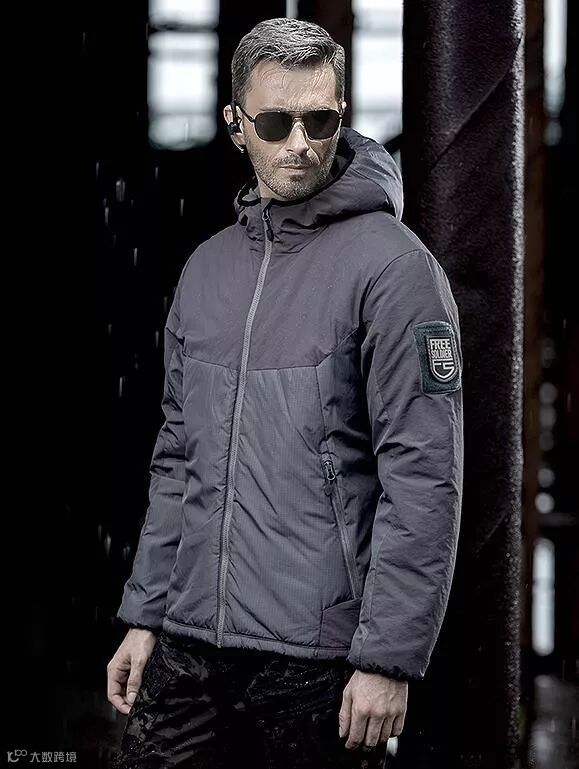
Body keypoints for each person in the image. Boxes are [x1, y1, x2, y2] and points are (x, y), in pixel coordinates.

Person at [107, 17, 464, 769]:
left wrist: (388, 658)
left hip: (317, 662)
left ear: (342, 114)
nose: (299, 143)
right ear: (236, 124)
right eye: (275, 123)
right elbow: (177, 462)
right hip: (189, 646)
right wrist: (145, 614)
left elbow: (424, 477)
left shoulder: (395, 270)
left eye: (320, 120)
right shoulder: (207, 269)